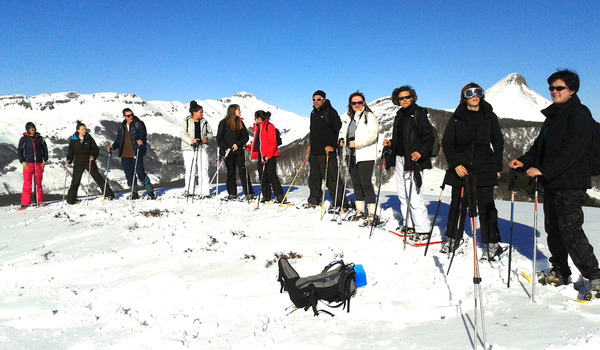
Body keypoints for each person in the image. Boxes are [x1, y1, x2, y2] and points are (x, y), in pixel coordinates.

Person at [509, 69, 600, 290]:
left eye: (559, 88)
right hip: (552, 181)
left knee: (570, 231)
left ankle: (594, 276)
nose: (554, 91)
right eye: (551, 87)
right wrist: (523, 161)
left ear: (572, 90)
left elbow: (573, 151)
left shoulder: (579, 114)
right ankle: (560, 270)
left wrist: (544, 169)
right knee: (554, 230)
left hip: (570, 182)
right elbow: (539, 148)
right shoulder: (553, 116)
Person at [440, 83, 504, 260]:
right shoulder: (456, 118)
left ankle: (492, 243)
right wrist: (455, 164)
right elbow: (447, 143)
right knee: (458, 206)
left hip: (484, 168)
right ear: (464, 97)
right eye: (470, 93)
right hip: (461, 169)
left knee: (487, 206)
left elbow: (498, 141)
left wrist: (497, 167)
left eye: (478, 92)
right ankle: (453, 239)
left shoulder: (490, 116)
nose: (475, 96)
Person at [382, 86, 434, 240]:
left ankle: (423, 229)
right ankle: (409, 224)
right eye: (401, 98)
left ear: (412, 97)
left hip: (413, 159)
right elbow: (400, 139)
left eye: (407, 97)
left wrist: (421, 151)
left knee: (414, 194)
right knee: (403, 193)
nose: (404, 100)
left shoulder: (418, 113)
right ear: (397, 100)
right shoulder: (400, 115)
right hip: (400, 158)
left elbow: (428, 137)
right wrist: (390, 143)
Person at [339, 92, 379, 222]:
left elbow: (374, 135)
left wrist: (357, 144)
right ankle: (360, 211)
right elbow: (344, 132)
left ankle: (372, 214)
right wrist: (341, 139)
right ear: (350, 104)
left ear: (364, 103)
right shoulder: (348, 117)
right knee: (356, 184)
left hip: (365, 155)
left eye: (359, 102)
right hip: (350, 155)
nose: (357, 105)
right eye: (354, 103)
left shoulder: (369, 116)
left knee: (366, 183)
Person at [107, 108, 156, 200]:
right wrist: (113, 147)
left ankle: (150, 192)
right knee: (129, 175)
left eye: (132, 115)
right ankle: (134, 193)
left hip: (136, 153)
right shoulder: (121, 126)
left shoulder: (139, 124)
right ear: (124, 116)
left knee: (140, 173)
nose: (131, 117)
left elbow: (143, 135)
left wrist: (141, 141)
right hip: (124, 155)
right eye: (128, 116)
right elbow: (119, 140)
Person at [307, 90, 344, 208]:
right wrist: (310, 145)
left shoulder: (330, 112)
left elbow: (337, 129)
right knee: (314, 178)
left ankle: (340, 202)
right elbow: (313, 132)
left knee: (331, 178)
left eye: (318, 99)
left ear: (324, 100)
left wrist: (332, 146)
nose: (316, 102)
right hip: (315, 152)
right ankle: (313, 200)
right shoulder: (313, 113)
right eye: (314, 99)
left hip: (327, 152)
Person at [66, 121, 115, 204]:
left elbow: (95, 149)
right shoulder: (73, 140)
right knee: (75, 181)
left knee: (98, 178)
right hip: (78, 161)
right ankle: (71, 199)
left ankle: (109, 194)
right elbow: (70, 152)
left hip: (89, 161)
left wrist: (93, 156)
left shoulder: (89, 138)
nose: (85, 131)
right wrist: (69, 159)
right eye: (83, 129)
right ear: (78, 130)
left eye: (85, 129)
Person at [216, 104, 254, 200]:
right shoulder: (223, 123)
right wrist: (225, 148)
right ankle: (232, 193)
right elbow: (219, 138)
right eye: (238, 110)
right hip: (227, 152)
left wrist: (238, 144)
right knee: (231, 172)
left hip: (239, 152)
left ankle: (248, 192)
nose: (240, 111)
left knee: (243, 171)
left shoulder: (240, 123)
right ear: (233, 111)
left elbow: (245, 136)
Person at [250, 110, 285, 203]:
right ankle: (266, 196)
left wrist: (268, 155)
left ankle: (280, 195)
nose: (254, 120)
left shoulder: (269, 126)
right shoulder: (259, 128)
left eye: (255, 118)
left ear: (259, 118)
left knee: (271, 175)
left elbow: (273, 142)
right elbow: (258, 143)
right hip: (261, 156)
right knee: (262, 176)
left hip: (269, 155)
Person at [181, 100, 213, 198]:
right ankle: (190, 191)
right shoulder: (186, 122)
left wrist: (206, 138)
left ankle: (205, 192)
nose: (202, 114)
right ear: (194, 112)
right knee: (191, 170)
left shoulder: (204, 122)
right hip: (189, 148)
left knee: (203, 169)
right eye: (200, 112)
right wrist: (191, 140)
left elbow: (210, 133)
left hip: (202, 147)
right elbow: (183, 134)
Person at [17, 122, 48, 209]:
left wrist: (45, 160)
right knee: (27, 183)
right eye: (30, 128)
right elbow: (19, 151)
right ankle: (25, 203)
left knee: (38, 183)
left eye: (33, 127)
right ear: (27, 129)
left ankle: (39, 201)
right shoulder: (24, 139)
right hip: (28, 163)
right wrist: (22, 161)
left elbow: (45, 150)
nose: (32, 129)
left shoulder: (40, 139)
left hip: (39, 163)